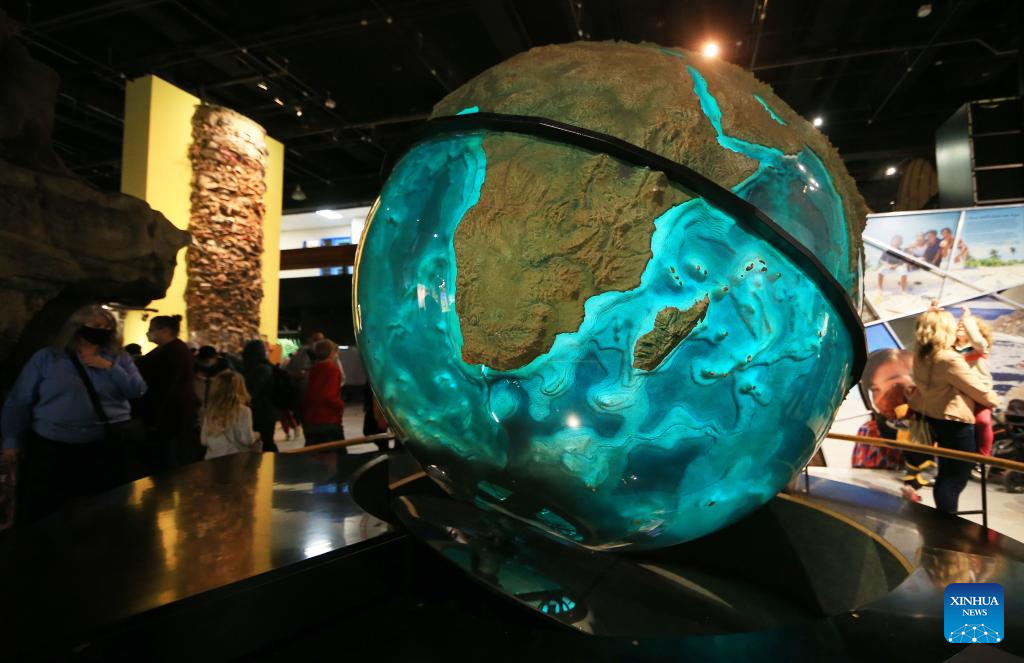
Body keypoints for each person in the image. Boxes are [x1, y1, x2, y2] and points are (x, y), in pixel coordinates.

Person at [1, 305, 147, 522]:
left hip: (106, 442)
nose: (102, 330)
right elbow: (20, 400)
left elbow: (137, 390)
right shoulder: (48, 358)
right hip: (55, 445)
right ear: (77, 326)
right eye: (96, 325)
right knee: (48, 508)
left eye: (107, 327)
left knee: (105, 509)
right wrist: (11, 440)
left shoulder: (119, 358)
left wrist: (110, 368)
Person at [908, 309, 1000, 514]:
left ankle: (942, 518)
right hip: (957, 423)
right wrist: (994, 400)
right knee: (955, 478)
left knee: (945, 474)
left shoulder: (921, 356)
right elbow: (976, 389)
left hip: (936, 418)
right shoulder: (949, 359)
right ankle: (946, 523)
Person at [135, 314, 200, 469]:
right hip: (171, 412)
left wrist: (154, 419)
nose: (148, 333)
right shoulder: (169, 349)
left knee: (166, 455)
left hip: (170, 413)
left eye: (152, 329)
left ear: (165, 331)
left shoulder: (173, 352)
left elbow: (164, 387)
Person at [955, 306, 995, 457]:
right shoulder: (950, 350)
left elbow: (977, 340)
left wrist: (967, 319)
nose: (960, 326)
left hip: (979, 394)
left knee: (983, 421)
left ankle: (984, 457)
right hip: (958, 395)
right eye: (959, 324)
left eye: (964, 325)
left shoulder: (980, 348)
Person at [200, 371, 261, 459]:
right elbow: (247, 440)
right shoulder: (244, 411)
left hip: (213, 459)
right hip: (235, 459)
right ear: (240, 389)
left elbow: (204, 440)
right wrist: (257, 435)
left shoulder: (210, 411)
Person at [302, 339, 344, 447]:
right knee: (334, 454)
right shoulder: (332, 370)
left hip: (310, 420)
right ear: (331, 353)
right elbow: (329, 396)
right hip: (328, 420)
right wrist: (340, 406)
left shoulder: (311, 370)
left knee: (314, 453)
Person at [242, 339, 279, 453]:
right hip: (269, 411)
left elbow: (253, 391)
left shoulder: (259, 369)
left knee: (265, 442)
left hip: (260, 412)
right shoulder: (267, 367)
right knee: (267, 441)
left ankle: (274, 461)